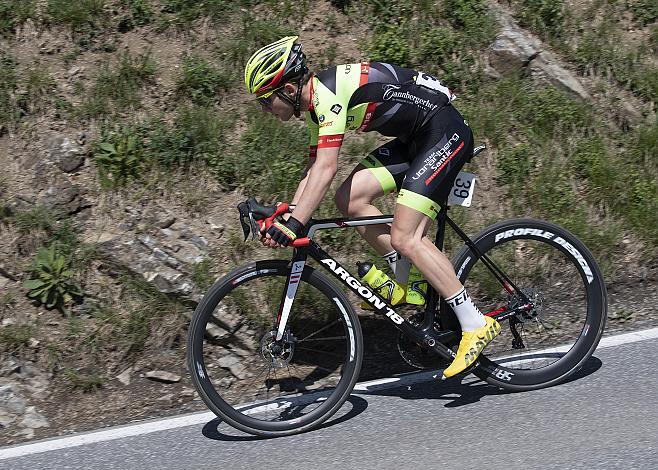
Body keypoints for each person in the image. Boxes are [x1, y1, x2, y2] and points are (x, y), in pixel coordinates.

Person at [243, 36, 500, 379]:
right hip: (416, 139)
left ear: (288, 88)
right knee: (348, 200)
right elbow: (312, 171)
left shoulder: (327, 96)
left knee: (406, 237)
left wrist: (294, 223)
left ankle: (475, 323)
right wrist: (287, 214)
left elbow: (326, 169)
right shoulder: (315, 106)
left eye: (265, 100)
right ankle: (414, 285)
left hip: (442, 133)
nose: (264, 110)